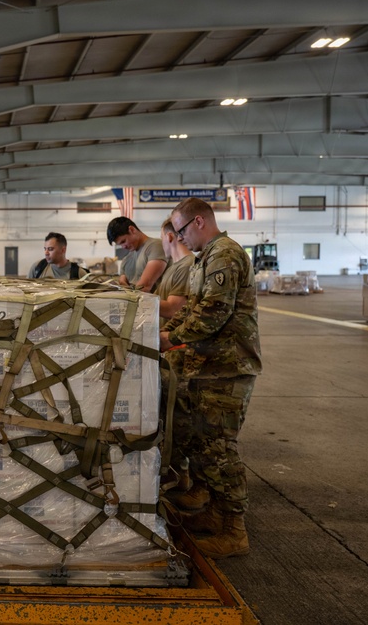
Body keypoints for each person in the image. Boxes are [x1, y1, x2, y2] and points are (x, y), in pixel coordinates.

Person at [159, 198, 262, 558]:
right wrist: (165, 334)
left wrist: (169, 339)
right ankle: (215, 512)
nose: (180, 239)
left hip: (227, 367)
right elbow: (191, 306)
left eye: (182, 231)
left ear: (198, 222)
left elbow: (213, 313)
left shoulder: (224, 255)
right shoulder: (206, 258)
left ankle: (235, 530)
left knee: (220, 448)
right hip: (207, 366)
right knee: (202, 441)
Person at [106, 217, 168, 292]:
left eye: (123, 241)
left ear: (132, 230)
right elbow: (122, 284)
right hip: (134, 300)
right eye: (120, 245)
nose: (123, 247)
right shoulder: (126, 260)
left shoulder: (155, 246)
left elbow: (144, 287)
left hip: (151, 302)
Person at [155, 218, 195, 322]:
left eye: (161, 238)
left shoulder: (187, 266)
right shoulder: (173, 267)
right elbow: (154, 298)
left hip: (172, 336)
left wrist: (134, 299)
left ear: (169, 237)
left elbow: (173, 310)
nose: (161, 243)